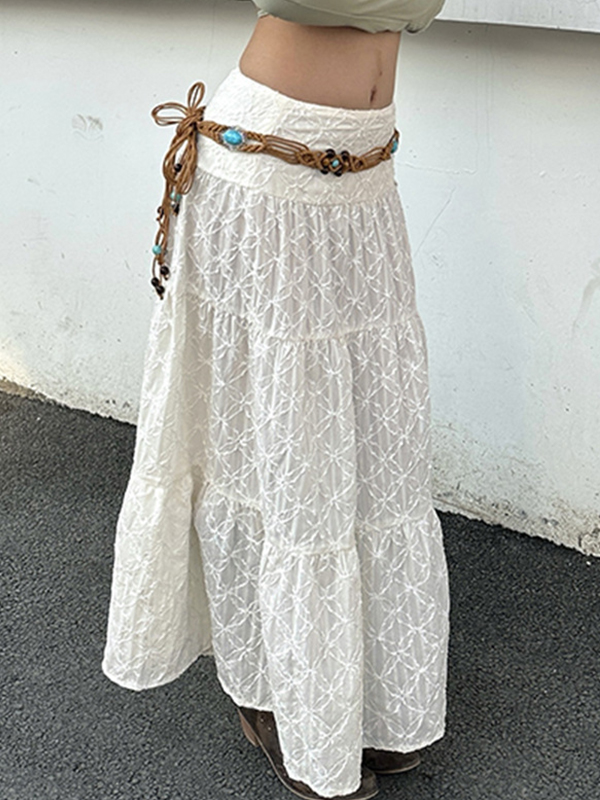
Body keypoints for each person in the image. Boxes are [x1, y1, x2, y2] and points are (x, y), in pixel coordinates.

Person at [102, 2, 450, 799]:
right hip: (270, 169)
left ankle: (367, 703)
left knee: (373, 446)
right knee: (273, 456)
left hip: (363, 172)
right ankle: (274, 699)